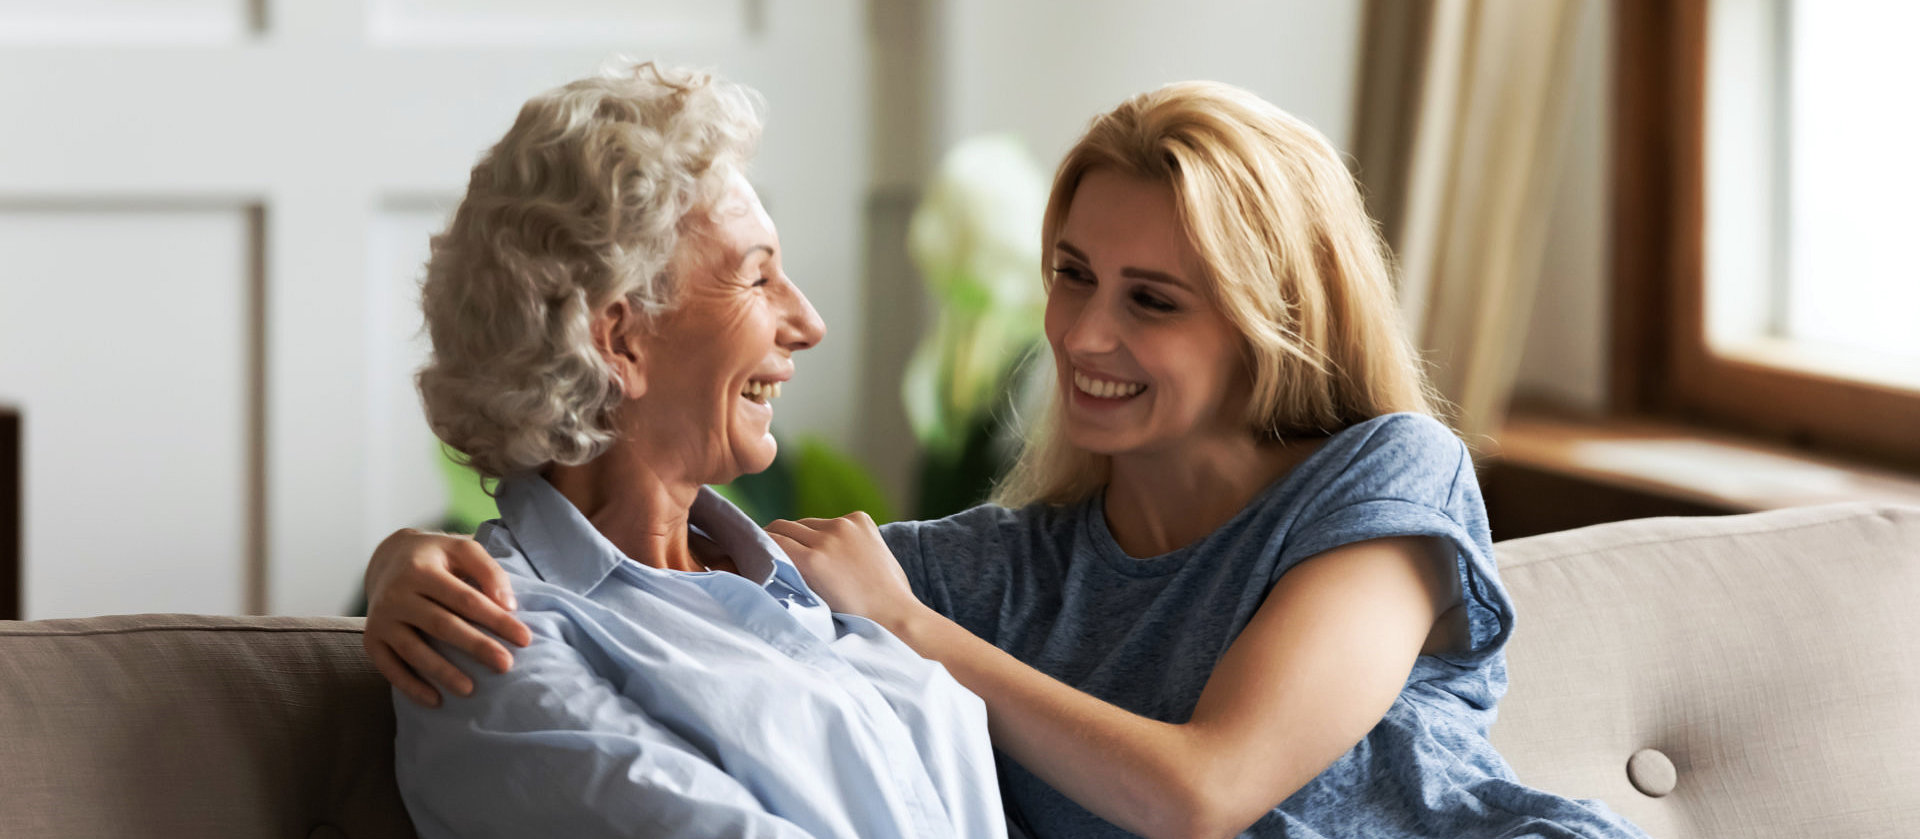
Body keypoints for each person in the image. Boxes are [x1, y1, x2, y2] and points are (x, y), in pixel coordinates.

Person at [367, 80, 1649, 839]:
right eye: (1074, 277)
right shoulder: (988, 574)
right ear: (620, 337)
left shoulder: (1382, 479)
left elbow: (1208, 792)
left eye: (1154, 300)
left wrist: (919, 630)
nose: (1083, 334)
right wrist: (410, 559)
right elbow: (632, 576)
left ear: (1274, 317)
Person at [378, 61, 1006, 839]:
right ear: (621, 339)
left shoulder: (826, 579)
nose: (807, 322)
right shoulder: (499, 636)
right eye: (758, 278)